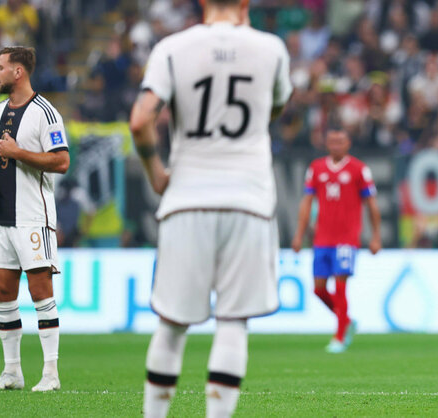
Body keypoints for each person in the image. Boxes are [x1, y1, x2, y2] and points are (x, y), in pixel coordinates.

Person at [128, 0, 292, 416]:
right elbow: (273, 109)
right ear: (244, 5)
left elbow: (141, 119)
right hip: (249, 199)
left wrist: (157, 174)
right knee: (234, 323)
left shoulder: (172, 48)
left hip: (187, 197)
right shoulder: (271, 48)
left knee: (171, 326)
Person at [0, 46, 70, 392]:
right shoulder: (0, 110)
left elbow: (61, 162)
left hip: (32, 216)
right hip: (1, 217)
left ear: (18, 72)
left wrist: (18, 153)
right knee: (3, 290)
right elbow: (0, 149)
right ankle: (12, 372)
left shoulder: (46, 114)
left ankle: (51, 374)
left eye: (0, 67)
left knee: (40, 290)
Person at [291, 129, 381, 353]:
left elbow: (371, 205)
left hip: (347, 238)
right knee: (319, 289)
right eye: (332, 141)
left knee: (340, 288)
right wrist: (299, 235)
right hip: (322, 237)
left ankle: (340, 336)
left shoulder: (359, 169)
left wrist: (376, 236)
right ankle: (347, 321)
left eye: (340, 141)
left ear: (348, 143)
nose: (335, 145)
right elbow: (306, 203)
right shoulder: (317, 168)